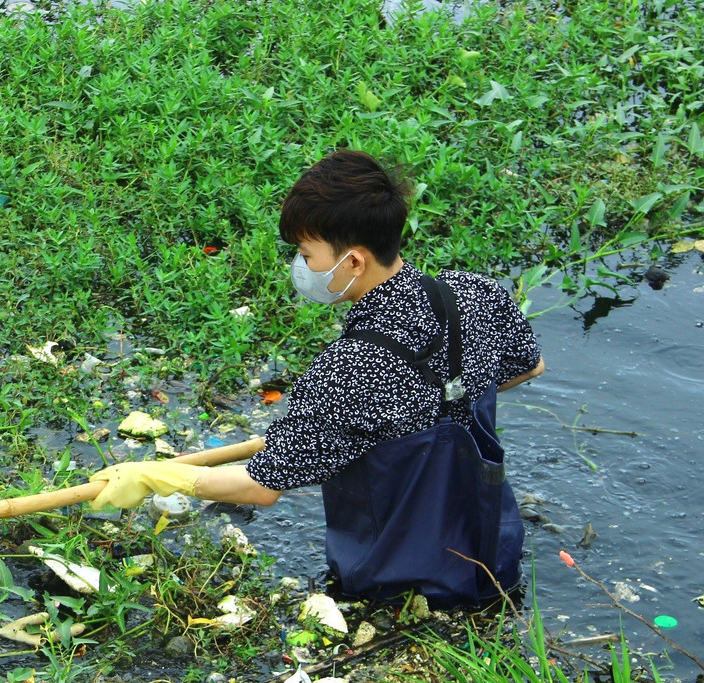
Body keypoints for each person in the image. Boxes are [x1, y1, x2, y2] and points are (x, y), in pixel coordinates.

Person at [88, 150, 544, 607]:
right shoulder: (473, 293)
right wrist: (423, 407)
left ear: (354, 262)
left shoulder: (350, 368)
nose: (301, 265)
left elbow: (260, 486)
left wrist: (157, 477)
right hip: (492, 555)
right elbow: (528, 366)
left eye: (307, 254)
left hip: (399, 584)